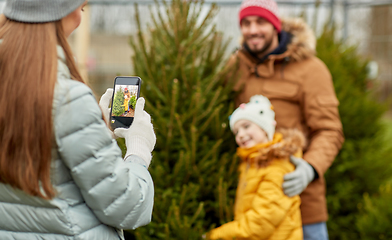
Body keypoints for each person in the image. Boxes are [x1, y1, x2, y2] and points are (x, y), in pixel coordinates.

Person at [0, 1, 155, 239]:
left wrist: (94, 126)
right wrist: (139, 149)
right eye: (81, 8)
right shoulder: (68, 99)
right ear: (67, 12)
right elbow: (126, 206)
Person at [226, 0, 345, 239]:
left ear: (275, 25)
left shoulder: (310, 69)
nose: (252, 30)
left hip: (302, 205)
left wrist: (310, 168)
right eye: (246, 23)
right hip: (253, 206)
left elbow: (330, 130)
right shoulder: (236, 68)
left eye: (260, 21)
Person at [207, 95, 304, 240]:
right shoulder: (250, 163)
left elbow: (260, 223)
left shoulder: (277, 166)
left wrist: (214, 236)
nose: (241, 135)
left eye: (246, 126)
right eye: (236, 132)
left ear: (265, 128)